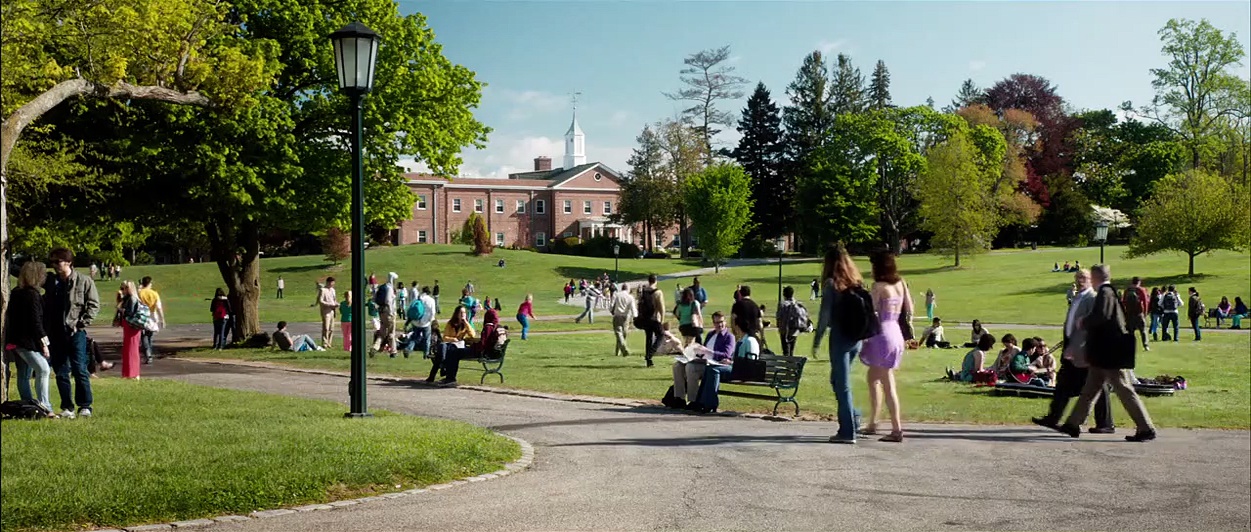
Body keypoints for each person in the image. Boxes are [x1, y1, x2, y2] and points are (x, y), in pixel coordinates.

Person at [1056, 264, 1157, 442]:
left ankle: (1146, 428)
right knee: (1090, 389)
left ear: (1095, 277)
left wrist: (1083, 321)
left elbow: (1101, 316)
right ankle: (1072, 424)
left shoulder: (1105, 292)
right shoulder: (1109, 292)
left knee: (1124, 389)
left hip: (1109, 353)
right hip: (1103, 352)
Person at [1032, 268, 1115, 434]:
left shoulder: (1092, 298)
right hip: (1072, 346)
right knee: (1064, 383)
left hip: (1083, 349)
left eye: (1083, 277)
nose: (1080, 280)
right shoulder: (1077, 297)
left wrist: (1081, 347)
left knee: (1096, 385)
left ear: (1091, 280)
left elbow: (1092, 326)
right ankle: (1053, 417)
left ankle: (1104, 423)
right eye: (1078, 277)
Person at [812, 245, 867, 444]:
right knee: (836, 380)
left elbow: (824, 316)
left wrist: (817, 340)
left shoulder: (831, 284)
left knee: (842, 386)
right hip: (856, 338)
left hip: (840, 337)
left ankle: (847, 431)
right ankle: (854, 416)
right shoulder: (855, 282)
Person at [859, 250, 912, 443]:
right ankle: (874, 422)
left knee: (887, 382)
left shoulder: (878, 286)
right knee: (873, 377)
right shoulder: (901, 283)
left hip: (882, 333)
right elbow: (910, 309)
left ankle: (896, 428)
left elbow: (870, 310)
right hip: (896, 330)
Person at [44, 248, 100, 419]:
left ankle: (85, 405)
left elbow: (94, 305)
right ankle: (67, 407)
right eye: (52, 262)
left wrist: (81, 323)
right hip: (55, 332)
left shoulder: (83, 281)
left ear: (68, 262)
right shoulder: (51, 281)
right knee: (61, 371)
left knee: (79, 368)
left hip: (75, 332)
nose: (54, 265)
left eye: (58, 262)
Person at [7, 261, 54, 413]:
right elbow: (36, 322)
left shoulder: (16, 292)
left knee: (23, 374)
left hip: (15, 339)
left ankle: (28, 405)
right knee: (43, 369)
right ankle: (44, 405)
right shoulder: (33, 295)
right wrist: (44, 343)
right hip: (27, 342)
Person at [667, 312, 734, 409]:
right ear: (713, 323)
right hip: (703, 361)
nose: (719, 325)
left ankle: (693, 400)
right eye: (716, 322)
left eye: (721, 322)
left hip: (714, 365)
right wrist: (694, 353)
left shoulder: (729, 337)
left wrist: (708, 351)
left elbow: (726, 355)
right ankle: (679, 398)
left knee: (691, 368)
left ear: (725, 321)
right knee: (677, 366)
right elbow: (702, 351)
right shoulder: (710, 334)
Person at [425, 305, 477, 384]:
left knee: (443, 352)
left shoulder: (466, 325)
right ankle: (443, 366)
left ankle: (437, 372)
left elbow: (472, 335)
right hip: (449, 344)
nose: (463, 314)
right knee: (443, 347)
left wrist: (466, 322)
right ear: (456, 314)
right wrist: (453, 339)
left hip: (458, 346)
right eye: (461, 312)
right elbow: (445, 337)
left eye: (464, 313)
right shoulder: (450, 323)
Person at [116, 281, 143, 379]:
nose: (124, 290)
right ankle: (127, 372)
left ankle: (133, 372)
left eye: (125, 288)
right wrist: (119, 298)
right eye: (123, 288)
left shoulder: (132, 298)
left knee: (132, 349)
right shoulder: (127, 298)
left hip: (132, 326)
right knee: (127, 349)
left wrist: (121, 310)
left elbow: (130, 312)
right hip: (128, 326)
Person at [637, 274, 665, 367]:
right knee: (661, 335)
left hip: (645, 318)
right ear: (656, 281)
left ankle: (649, 361)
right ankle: (650, 354)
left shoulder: (644, 291)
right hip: (654, 318)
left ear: (648, 281)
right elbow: (661, 308)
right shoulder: (658, 292)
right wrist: (662, 319)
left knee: (648, 338)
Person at [137, 276, 165, 364]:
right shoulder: (154, 293)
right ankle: (149, 353)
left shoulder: (139, 293)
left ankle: (148, 353)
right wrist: (162, 319)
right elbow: (159, 307)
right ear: (149, 283)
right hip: (152, 315)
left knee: (144, 336)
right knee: (149, 336)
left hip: (142, 315)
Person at [1121, 276, 1149, 351]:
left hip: (1129, 313)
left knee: (1130, 331)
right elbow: (1145, 302)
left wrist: (1124, 312)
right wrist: (1145, 312)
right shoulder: (1141, 290)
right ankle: (1145, 345)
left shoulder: (1127, 290)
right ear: (1139, 282)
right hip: (1139, 313)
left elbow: (1123, 302)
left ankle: (1130, 346)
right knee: (1143, 330)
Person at [775, 286, 804, 357]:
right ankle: (791, 361)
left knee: (785, 350)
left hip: (784, 329)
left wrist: (779, 326)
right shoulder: (796, 303)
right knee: (791, 349)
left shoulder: (782, 304)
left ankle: (787, 362)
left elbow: (779, 317)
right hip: (794, 329)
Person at [610, 283, 636, 357]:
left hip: (617, 315)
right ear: (628, 289)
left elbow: (611, 305)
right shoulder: (630, 297)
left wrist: (611, 311)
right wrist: (635, 316)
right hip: (626, 317)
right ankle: (619, 351)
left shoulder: (616, 295)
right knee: (623, 334)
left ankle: (623, 350)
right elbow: (633, 308)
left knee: (619, 334)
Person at [317, 277, 338, 349]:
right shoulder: (323, 290)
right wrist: (329, 305)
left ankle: (329, 343)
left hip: (332, 310)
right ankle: (325, 343)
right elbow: (320, 301)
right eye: (332, 282)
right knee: (326, 327)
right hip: (326, 311)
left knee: (331, 328)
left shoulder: (333, 290)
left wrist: (336, 304)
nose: (333, 284)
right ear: (328, 282)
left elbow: (334, 300)